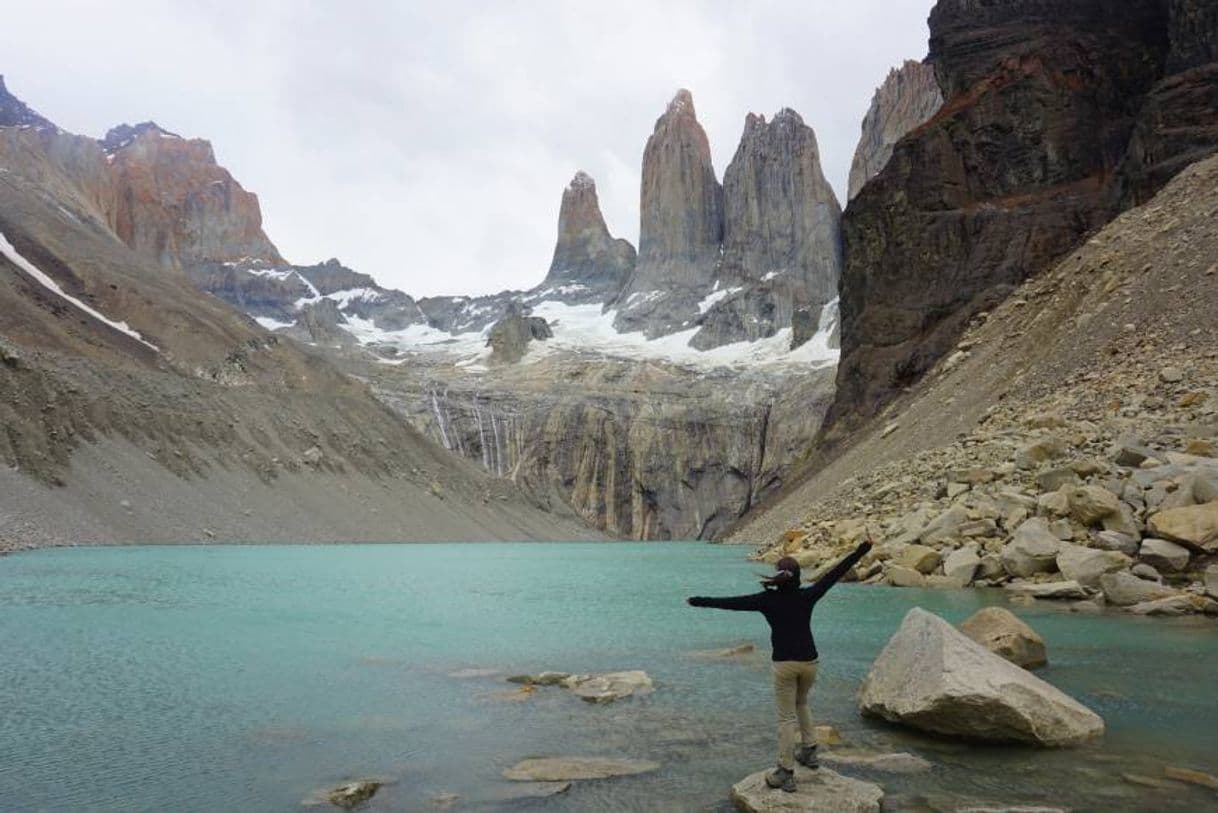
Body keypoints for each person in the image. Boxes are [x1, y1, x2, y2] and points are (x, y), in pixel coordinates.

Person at [686, 539, 872, 793]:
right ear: (797, 577)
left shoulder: (767, 600)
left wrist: (698, 601)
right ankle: (809, 751)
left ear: (778, 577)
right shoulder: (809, 595)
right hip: (810, 662)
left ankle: (786, 771)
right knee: (802, 703)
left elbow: (732, 602)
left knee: (786, 718)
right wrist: (861, 550)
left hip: (785, 664)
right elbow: (835, 573)